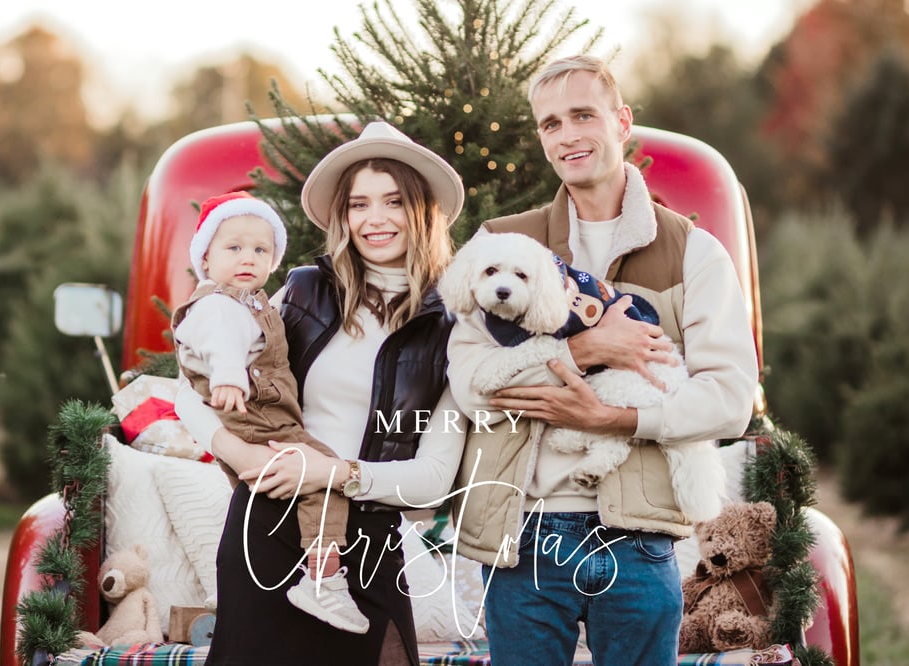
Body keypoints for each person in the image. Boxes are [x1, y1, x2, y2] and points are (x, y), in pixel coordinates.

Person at [446, 54, 760, 665]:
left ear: (621, 122)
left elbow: (729, 398)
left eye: (583, 116)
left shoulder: (693, 252)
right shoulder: (501, 245)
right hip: (524, 537)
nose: (567, 136)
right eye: (551, 124)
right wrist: (588, 348)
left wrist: (615, 420)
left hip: (637, 540)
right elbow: (469, 386)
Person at [175, 121, 466, 666]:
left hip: (370, 539)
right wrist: (246, 457)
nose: (374, 219)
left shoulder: (454, 324)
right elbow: (190, 386)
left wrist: (334, 473)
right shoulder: (302, 291)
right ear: (343, 216)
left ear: (423, 209)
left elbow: (435, 477)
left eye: (394, 201)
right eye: (358, 204)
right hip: (269, 522)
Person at [172, 190, 368, 634]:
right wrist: (227, 378)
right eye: (234, 248)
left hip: (250, 416)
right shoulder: (220, 304)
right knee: (325, 478)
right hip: (258, 415)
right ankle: (323, 578)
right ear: (205, 259)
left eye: (261, 250)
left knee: (246, 496)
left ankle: (233, 578)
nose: (249, 258)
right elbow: (221, 344)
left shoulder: (255, 301)